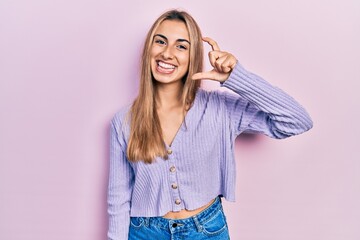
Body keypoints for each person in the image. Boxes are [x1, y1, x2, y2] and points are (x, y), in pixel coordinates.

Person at [107, 9, 313, 240]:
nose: (167, 53)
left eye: (181, 46)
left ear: (193, 55)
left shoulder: (220, 109)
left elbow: (296, 121)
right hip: (144, 232)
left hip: (205, 231)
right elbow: (119, 197)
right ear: (149, 49)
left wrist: (236, 77)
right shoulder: (125, 120)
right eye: (160, 41)